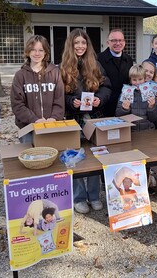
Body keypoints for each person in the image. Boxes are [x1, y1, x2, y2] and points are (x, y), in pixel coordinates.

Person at [60, 28, 111, 214]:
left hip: (95, 117)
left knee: (95, 156)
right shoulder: (63, 67)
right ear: (71, 46)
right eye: (76, 43)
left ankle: (94, 195)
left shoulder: (95, 64)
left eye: (83, 43)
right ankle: (79, 197)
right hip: (73, 119)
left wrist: (101, 99)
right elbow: (59, 96)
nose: (80, 46)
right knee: (76, 159)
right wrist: (70, 101)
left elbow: (107, 87)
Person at [11, 35, 65, 143]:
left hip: (51, 125)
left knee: (53, 155)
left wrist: (54, 118)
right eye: (33, 50)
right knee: (33, 157)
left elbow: (59, 99)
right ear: (28, 51)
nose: (37, 53)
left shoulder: (55, 72)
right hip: (29, 127)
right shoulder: (20, 75)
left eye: (41, 50)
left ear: (45, 52)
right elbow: (17, 104)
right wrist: (34, 120)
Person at [97, 29, 134, 117]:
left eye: (120, 40)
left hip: (124, 108)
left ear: (124, 42)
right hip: (104, 108)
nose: (117, 43)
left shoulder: (128, 59)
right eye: (114, 40)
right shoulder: (98, 59)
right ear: (107, 42)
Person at [115, 64, 157, 131]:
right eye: (134, 80)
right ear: (130, 80)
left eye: (140, 79)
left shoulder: (151, 93)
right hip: (131, 131)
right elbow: (118, 115)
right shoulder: (125, 93)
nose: (137, 82)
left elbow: (154, 119)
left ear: (144, 79)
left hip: (148, 131)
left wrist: (151, 107)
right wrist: (124, 109)